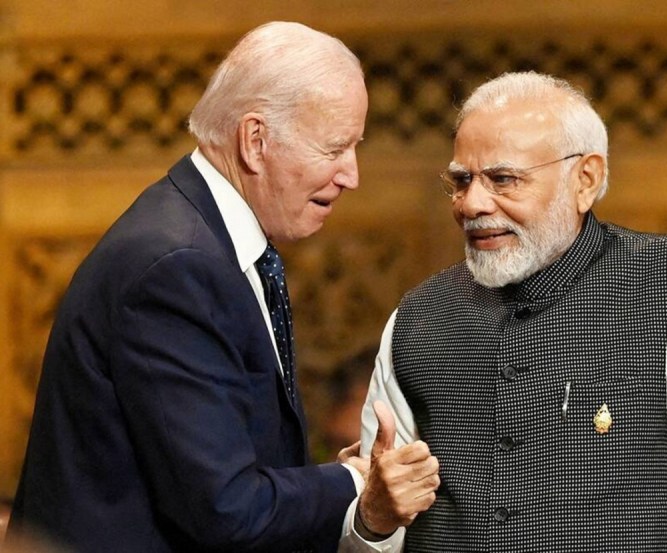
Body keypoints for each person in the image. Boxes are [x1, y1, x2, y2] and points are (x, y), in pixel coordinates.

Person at [8, 21, 438, 553]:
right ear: (255, 141)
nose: (352, 174)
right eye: (334, 149)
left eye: (356, 147)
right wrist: (355, 482)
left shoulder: (205, 237)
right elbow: (226, 510)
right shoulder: (177, 266)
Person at [342, 71, 667, 551]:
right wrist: (372, 519)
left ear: (586, 180)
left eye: (503, 179)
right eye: (461, 180)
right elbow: (372, 535)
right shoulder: (418, 319)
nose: (471, 204)